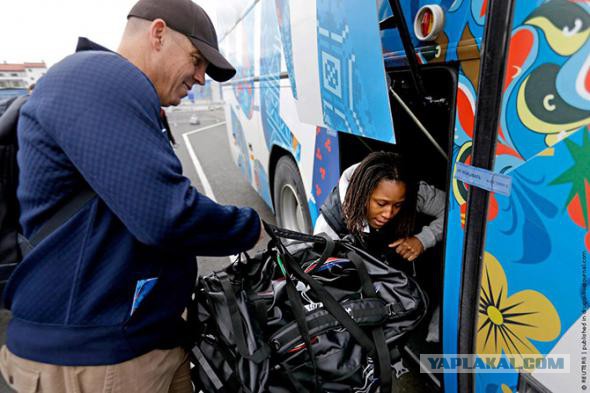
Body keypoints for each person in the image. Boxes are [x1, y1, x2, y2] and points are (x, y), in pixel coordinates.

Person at [0, 0, 261, 392]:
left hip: (139, 342)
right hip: (94, 357)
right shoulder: (98, 76)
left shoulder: (122, 92)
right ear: (158, 34)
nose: (201, 77)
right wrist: (248, 225)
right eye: (196, 59)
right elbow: (167, 214)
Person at [314, 151, 445, 342]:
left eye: (398, 205)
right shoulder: (330, 227)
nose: (389, 213)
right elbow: (320, 289)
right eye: (381, 203)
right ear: (362, 193)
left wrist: (423, 239)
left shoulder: (412, 192)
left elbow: (457, 208)